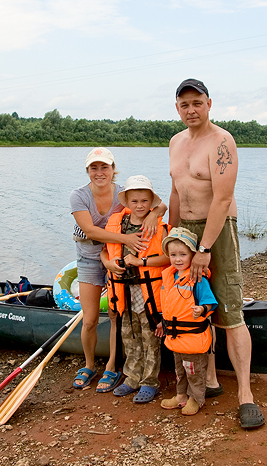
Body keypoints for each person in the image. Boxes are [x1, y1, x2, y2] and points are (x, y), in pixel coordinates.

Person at [168, 79, 265, 429]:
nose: (191, 110)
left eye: (197, 103)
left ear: (209, 103)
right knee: (195, 304)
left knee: (229, 308)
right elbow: (176, 192)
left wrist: (204, 249)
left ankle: (245, 395)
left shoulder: (222, 141)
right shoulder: (175, 143)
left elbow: (222, 199)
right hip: (186, 232)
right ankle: (208, 381)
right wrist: (172, 237)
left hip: (217, 231)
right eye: (184, 104)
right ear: (176, 108)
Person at [70, 148, 167, 391]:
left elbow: (158, 204)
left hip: (120, 258)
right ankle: (89, 364)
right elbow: (91, 231)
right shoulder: (79, 195)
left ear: (113, 169)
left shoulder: (127, 193)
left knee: (117, 315)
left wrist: (155, 213)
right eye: (94, 168)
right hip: (92, 257)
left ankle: (112, 367)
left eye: (105, 167)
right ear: (88, 171)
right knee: (90, 319)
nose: (100, 172)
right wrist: (124, 243)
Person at [100, 175, 170, 403]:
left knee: (150, 337)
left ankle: (150, 382)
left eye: (144, 201)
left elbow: (169, 257)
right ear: (127, 203)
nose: (139, 206)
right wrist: (107, 263)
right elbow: (105, 251)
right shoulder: (117, 224)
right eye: (135, 202)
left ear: (151, 203)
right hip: (123, 290)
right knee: (129, 335)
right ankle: (131, 378)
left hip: (149, 292)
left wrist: (142, 262)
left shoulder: (159, 227)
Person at [156, 226, 217, 416]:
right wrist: (161, 322)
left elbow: (210, 302)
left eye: (183, 254)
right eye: (173, 255)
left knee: (194, 371)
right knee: (180, 369)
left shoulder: (197, 279)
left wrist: (201, 309)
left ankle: (196, 399)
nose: (178, 259)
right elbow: (169, 306)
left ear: (192, 255)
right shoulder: (170, 276)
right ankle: (181, 395)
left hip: (192, 338)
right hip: (176, 338)